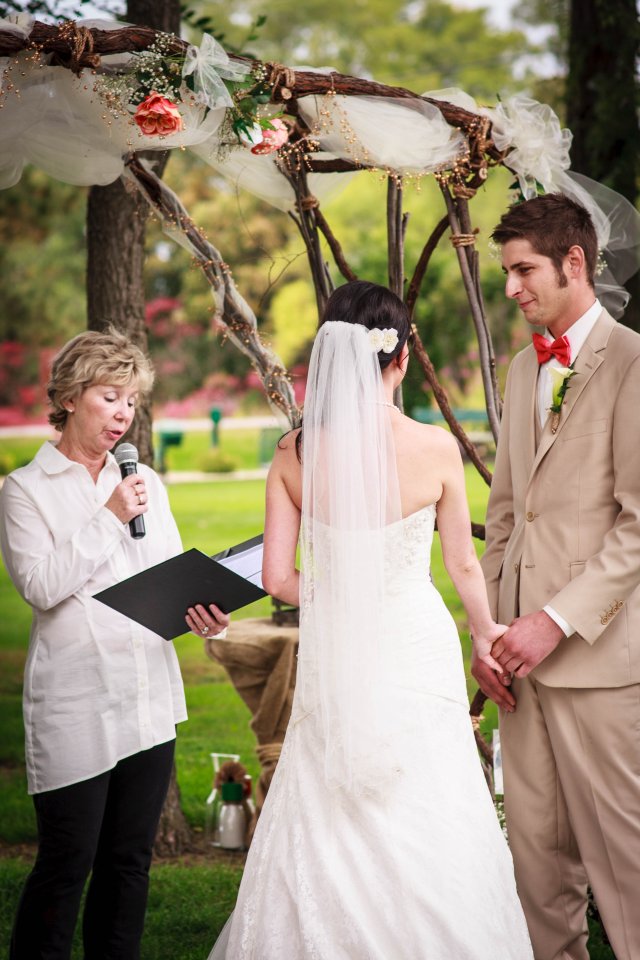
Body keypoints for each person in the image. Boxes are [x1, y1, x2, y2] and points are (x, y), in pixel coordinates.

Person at [208, 280, 532, 959]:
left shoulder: (294, 454)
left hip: (337, 641)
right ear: (402, 356)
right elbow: (465, 568)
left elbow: (277, 579)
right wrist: (486, 633)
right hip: (415, 637)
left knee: (328, 791)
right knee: (429, 793)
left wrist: (338, 595)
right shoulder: (436, 446)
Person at [0, 328, 229, 960]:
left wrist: (203, 612)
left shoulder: (143, 479)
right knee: (66, 864)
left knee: (129, 862)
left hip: (147, 694)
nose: (124, 413)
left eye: (131, 400)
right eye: (111, 396)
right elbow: (41, 587)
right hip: (76, 700)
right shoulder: (25, 490)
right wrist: (107, 516)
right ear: (71, 397)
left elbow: (168, 571)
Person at [477, 193, 640, 960]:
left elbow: (637, 525)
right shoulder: (519, 370)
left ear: (574, 263)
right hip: (518, 669)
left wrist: (555, 621)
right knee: (535, 866)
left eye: (522, 270)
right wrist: (489, 633)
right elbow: (506, 516)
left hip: (599, 663)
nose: (511, 287)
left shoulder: (634, 361)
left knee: (624, 867)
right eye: (507, 272)